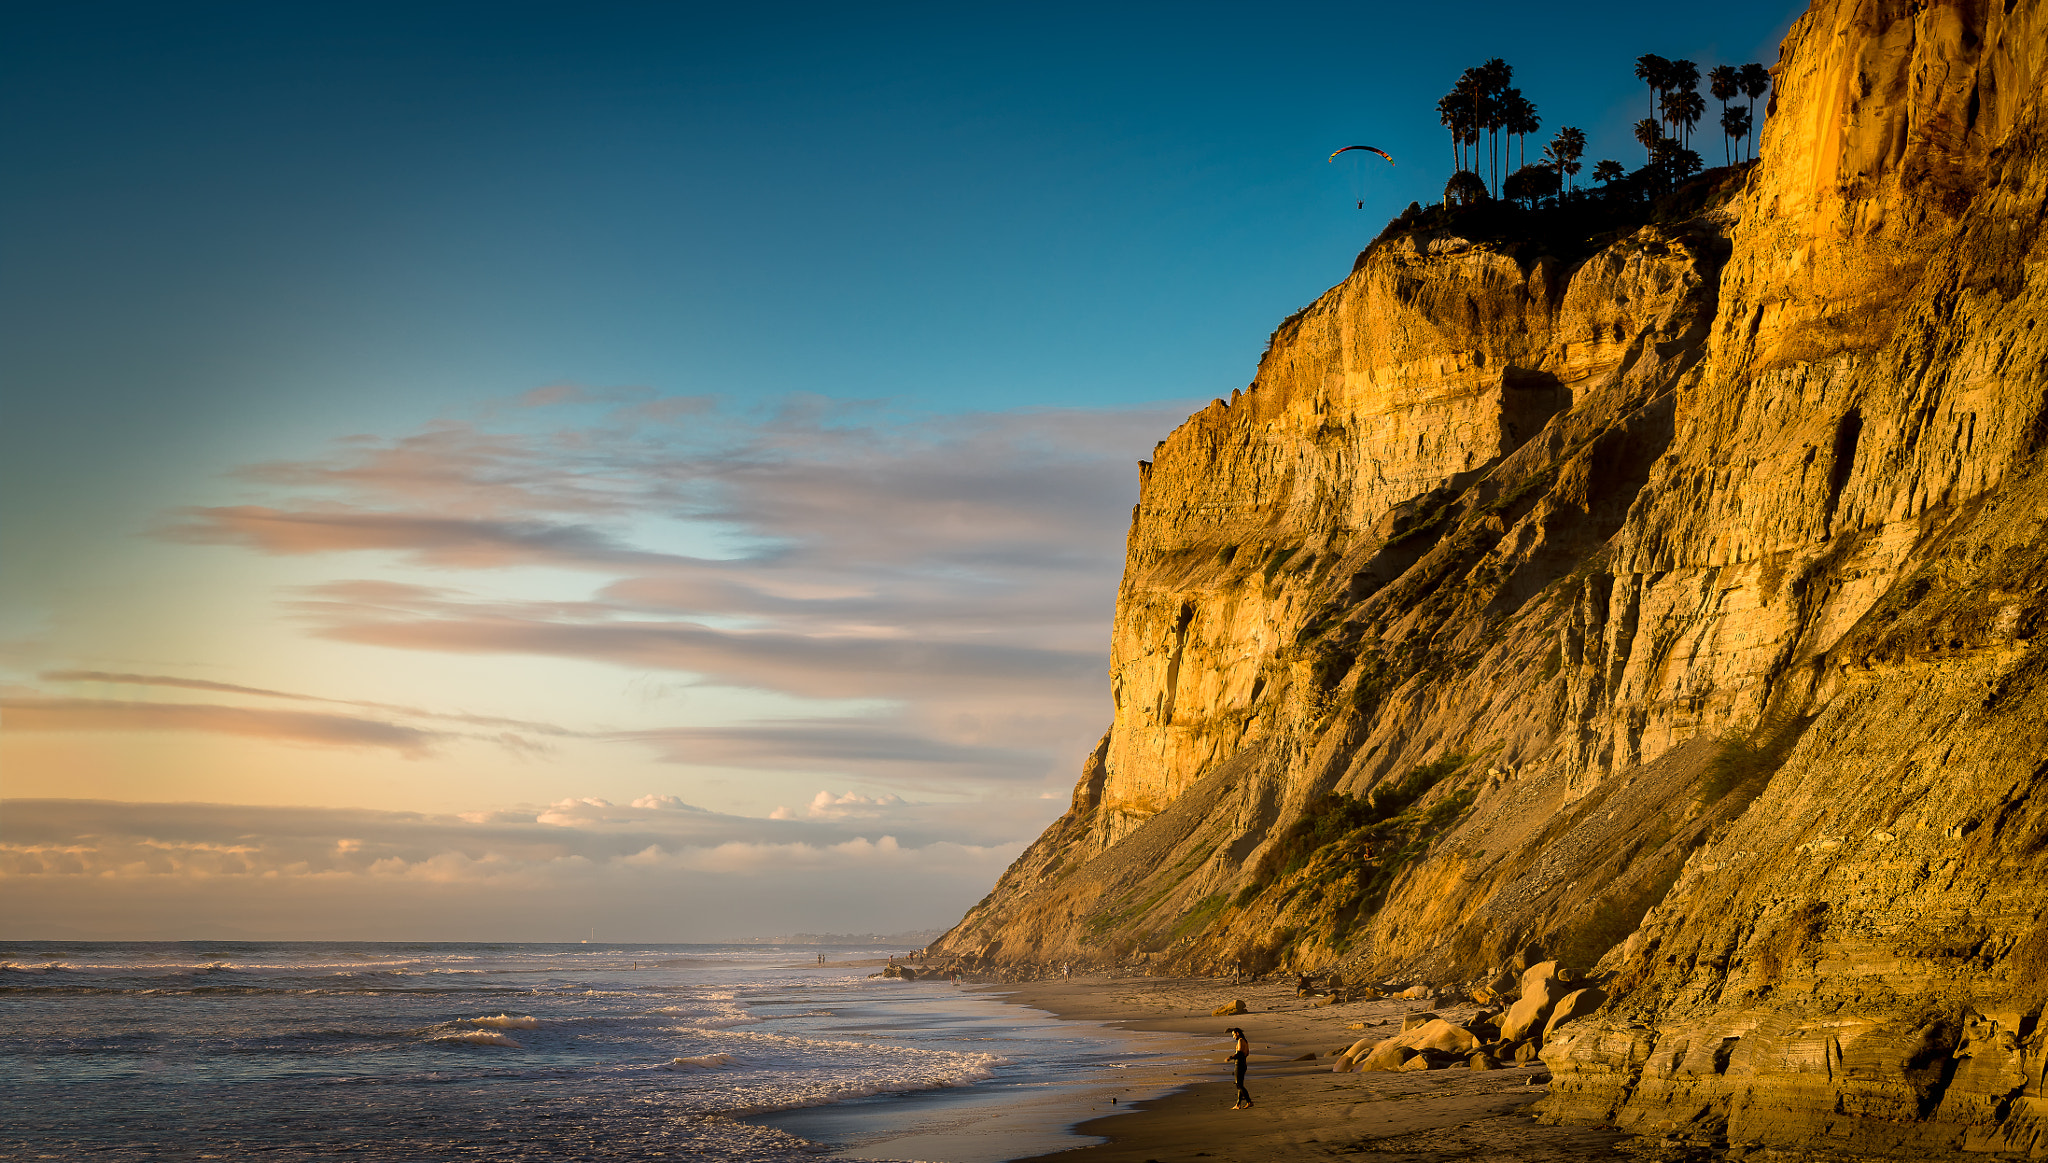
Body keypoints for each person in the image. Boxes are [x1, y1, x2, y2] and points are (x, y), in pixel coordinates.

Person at [1226, 1027, 1254, 1109]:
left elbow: (1240, 1053)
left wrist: (1230, 1057)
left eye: (1234, 1035)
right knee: (1239, 1084)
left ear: (1237, 1033)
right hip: (1243, 1063)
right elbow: (1247, 1053)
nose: (1233, 1037)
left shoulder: (1241, 1040)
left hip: (1240, 1064)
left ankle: (1249, 1101)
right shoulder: (1245, 1041)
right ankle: (1238, 1104)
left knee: (1239, 1084)